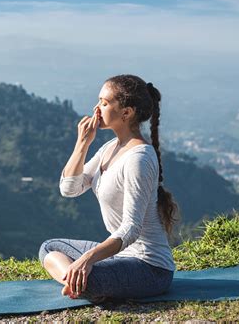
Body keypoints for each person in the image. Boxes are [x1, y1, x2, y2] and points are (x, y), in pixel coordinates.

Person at [38, 74, 180, 304]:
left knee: (88, 275)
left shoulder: (139, 159)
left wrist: (88, 259)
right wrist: (82, 144)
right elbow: (69, 189)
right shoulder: (109, 148)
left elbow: (130, 229)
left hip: (150, 269)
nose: (96, 109)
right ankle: (75, 283)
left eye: (104, 103)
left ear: (127, 112)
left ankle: (81, 284)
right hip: (121, 256)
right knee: (49, 248)